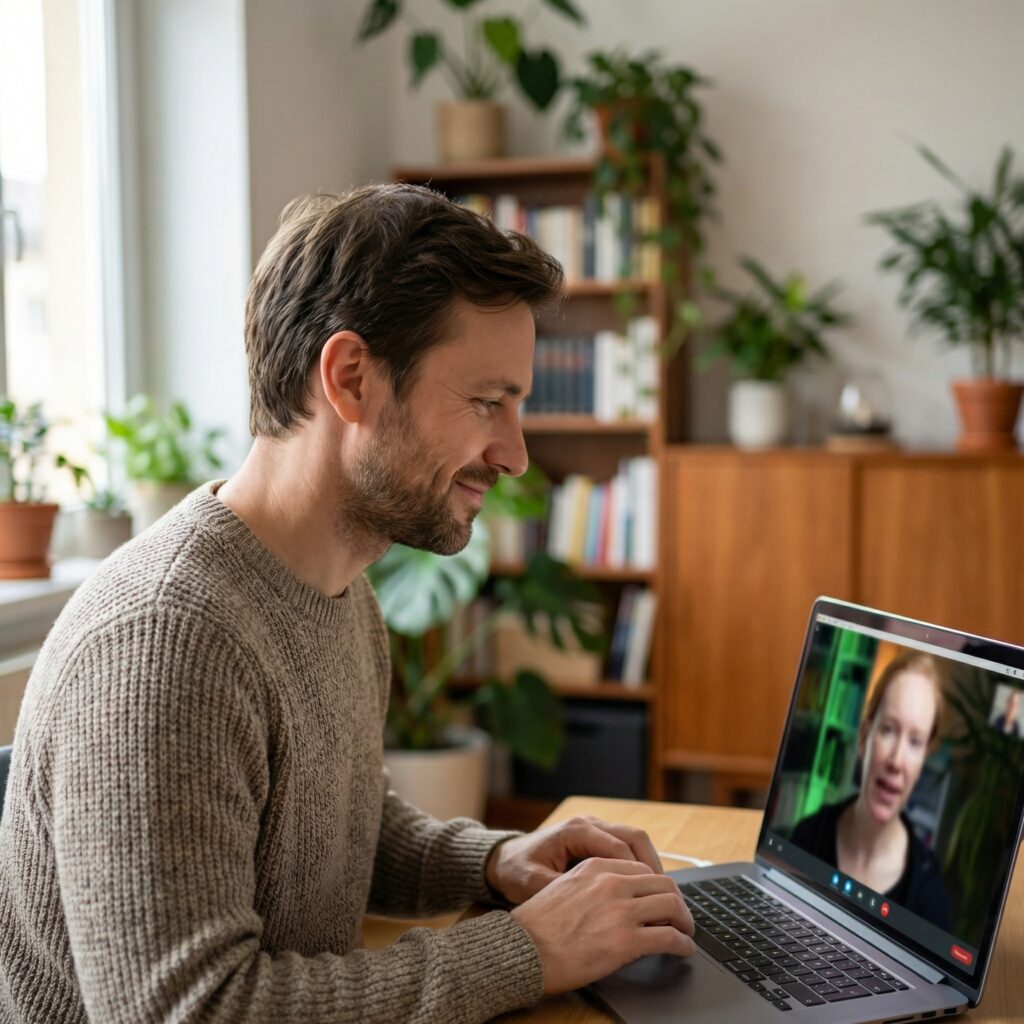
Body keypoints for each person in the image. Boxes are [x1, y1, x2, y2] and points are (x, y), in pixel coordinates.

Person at [0, 185, 695, 1024]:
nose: (513, 455)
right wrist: (526, 950)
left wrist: (498, 863)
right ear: (351, 378)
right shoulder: (165, 642)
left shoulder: (338, 589)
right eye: (488, 403)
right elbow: (192, 1010)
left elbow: (330, 837)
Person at [790, 650, 952, 930]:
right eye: (888, 729)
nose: (897, 761)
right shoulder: (806, 836)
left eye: (915, 742)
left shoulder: (931, 899)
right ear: (865, 737)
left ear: (923, 760)